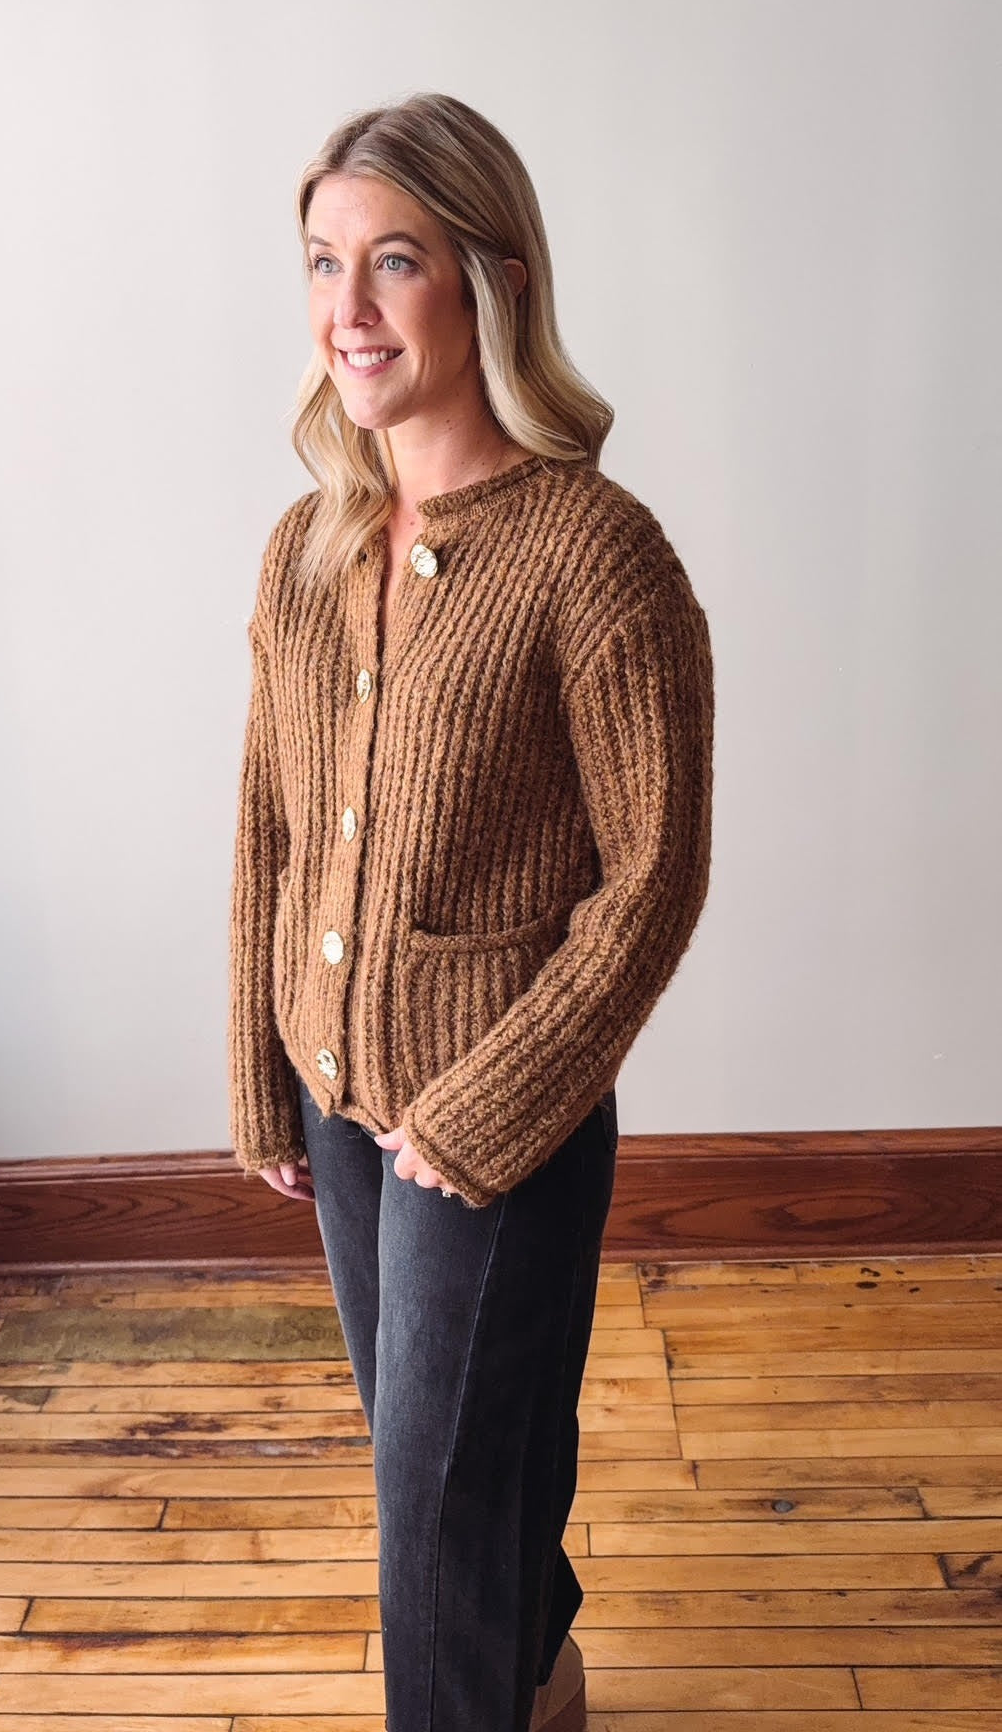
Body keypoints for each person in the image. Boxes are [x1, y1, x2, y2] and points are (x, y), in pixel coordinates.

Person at [228, 91, 715, 1732]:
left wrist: (492, 1108)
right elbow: (270, 830)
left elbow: (653, 875)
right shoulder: (310, 545)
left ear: (487, 282)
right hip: (339, 1095)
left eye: (393, 263)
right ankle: (535, 1664)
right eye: (321, 262)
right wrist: (260, 1065)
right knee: (440, 1449)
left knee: (425, 1512)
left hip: (494, 1114)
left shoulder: (595, 555)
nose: (345, 311)